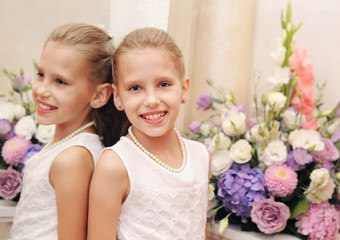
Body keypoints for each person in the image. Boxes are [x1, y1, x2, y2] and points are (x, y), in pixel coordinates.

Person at [87, 27, 210, 240]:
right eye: (135, 88)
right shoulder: (115, 165)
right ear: (117, 97)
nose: (151, 100)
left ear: (184, 89)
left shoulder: (200, 155)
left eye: (163, 84)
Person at [10, 23, 126, 240]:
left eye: (60, 82)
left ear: (99, 95)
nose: (42, 90)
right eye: (41, 74)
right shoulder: (72, 147)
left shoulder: (72, 158)